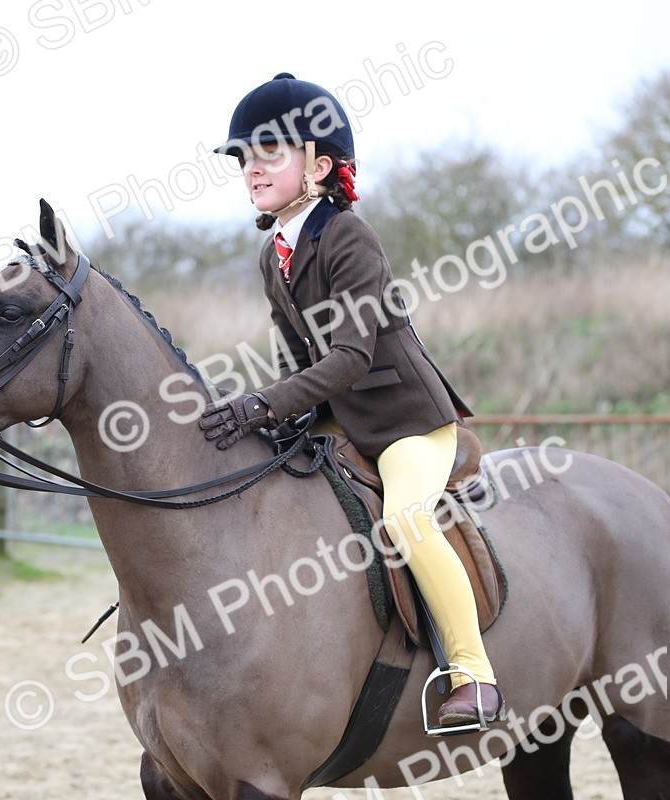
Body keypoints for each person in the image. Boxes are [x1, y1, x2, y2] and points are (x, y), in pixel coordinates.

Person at [198, 73, 503, 728]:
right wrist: (275, 418)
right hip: (338, 416)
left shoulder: (347, 237)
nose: (252, 168)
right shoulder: (272, 254)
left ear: (322, 165)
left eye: (270, 153)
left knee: (406, 523)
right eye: (245, 157)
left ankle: (474, 676)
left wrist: (261, 405)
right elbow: (295, 360)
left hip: (405, 424)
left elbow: (350, 357)